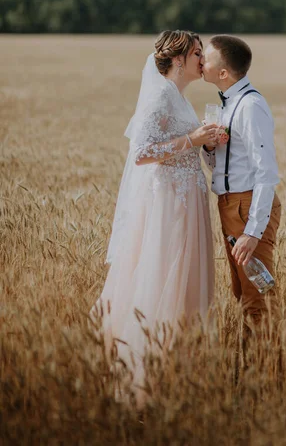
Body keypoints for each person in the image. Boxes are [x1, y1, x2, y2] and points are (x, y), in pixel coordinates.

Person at [91, 30, 217, 403]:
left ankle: (176, 375)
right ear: (178, 59)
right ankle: (146, 381)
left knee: (185, 282)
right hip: (169, 204)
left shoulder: (178, 96)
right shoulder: (161, 94)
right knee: (164, 277)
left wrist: (205, 142)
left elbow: (182, 145)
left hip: (187, 200)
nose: (203, 60)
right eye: (197, 53)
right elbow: (143, 152)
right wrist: (193, 141)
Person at [201, 34, 281, 344]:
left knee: (257, 293)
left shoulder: (250, 106)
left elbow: (266, 172)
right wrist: (209, 147)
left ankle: (267, 370)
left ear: (223, 73)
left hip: (248, 207)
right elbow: (222, 164)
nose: (200, 62)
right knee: (241, 290)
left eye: (205, 59)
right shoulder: (227, 104)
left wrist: (252, 231)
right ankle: (253, 366)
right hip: (230, 204)